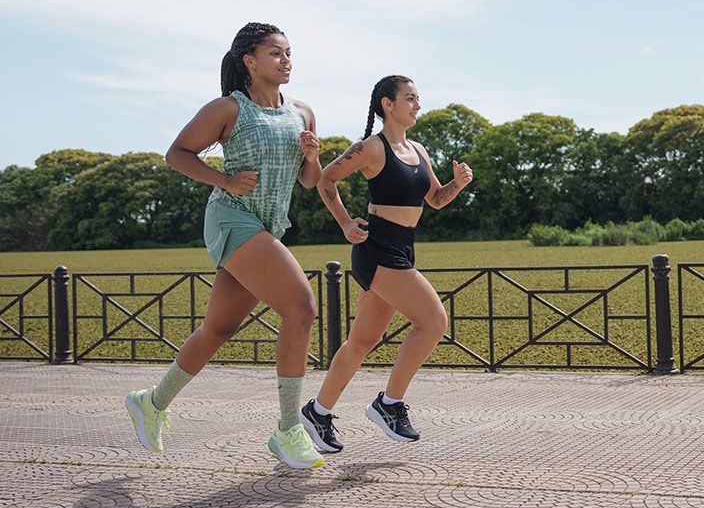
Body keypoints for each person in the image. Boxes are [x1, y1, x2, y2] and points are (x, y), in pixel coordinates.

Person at [124, 23, 325, 469]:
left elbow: (309, 182)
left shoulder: (303, 113)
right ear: (250, 61)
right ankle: (289, 429)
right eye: (275, 53)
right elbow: (177, 153)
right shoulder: (228, 108)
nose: (286, 60)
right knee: (301, 307)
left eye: (289, 53)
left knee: (219, 329)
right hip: (232, 219)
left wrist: (312, 156)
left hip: (268, 226)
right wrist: (226, 180)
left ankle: (152, 402)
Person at [300, 75, 473, 452]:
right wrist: (346, 223)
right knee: (433, 322)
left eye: (418, 99)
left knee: (362, 341)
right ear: (387, 104)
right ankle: (389, 404)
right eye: (409, 98)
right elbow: (326, 179)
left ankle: (317, 412)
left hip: (403, 247)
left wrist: (457, 183)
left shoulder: (418, 150)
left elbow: (437, 199)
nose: (417, 105)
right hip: (377, 248)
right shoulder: (371, 149)